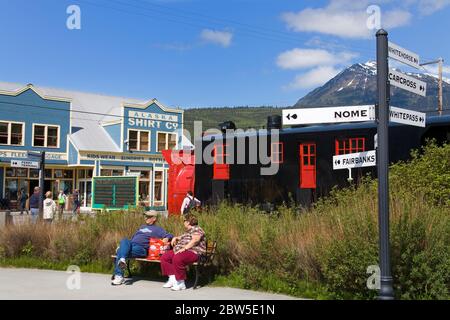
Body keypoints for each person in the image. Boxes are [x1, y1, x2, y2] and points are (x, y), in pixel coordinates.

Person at [112, 210, 173, 286]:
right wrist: (124, 246)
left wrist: (167, 238)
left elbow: (170, 235)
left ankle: (119, 275)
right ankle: (122, 260)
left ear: (154, 218)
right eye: (145, 216)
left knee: (120, 251)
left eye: (148, 217)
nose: (146, 218)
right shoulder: (142, 227)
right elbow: (133, 239)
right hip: (131, 246)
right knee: (124, 240)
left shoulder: (158, 229)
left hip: (141, 249)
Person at [160, 213, 206, 291]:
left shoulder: (197, 229)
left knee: (178, 258)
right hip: (181, 250)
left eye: (184, 221)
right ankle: (173, 279)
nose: (183, 222)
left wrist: (185, 248)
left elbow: (195, 240)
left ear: (188, 222)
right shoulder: (188, 231)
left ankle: (181, 283)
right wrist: (176, 238)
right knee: (165, 257)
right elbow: (183, 237)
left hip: (194, 252)